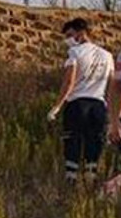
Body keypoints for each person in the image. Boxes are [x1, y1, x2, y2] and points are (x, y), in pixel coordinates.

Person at [47, 18, 114, 183]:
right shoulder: (107, 55)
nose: (68, 40)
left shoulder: (75, 53)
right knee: (94, 143)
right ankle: (91, 180)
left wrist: (56, 107)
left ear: (81, 32)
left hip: (77, 104)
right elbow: (112, 87)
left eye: (70, 35)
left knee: (73, 142)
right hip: (98, 105)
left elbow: (69, 82)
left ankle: (71, 181)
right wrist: (112, 113)